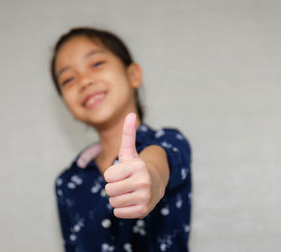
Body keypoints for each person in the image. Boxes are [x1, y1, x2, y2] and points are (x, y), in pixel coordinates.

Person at [51, 27, 192, 252]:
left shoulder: (169, 141)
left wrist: (151, 177)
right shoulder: (66, 182)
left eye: (96, 64)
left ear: (133, 75)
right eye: (68, 79)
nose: (84, 81)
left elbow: (157, 165)